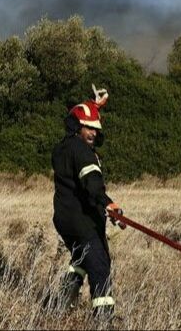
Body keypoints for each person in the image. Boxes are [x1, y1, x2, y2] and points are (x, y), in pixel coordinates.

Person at [51, 85, 124, 318]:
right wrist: (108, 203)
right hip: (83, 222)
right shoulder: (83, 152)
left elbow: (80, 114)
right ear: (77, 128)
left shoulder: (63, 148)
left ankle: (58, 309)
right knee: (100, 266)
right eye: (88, 128)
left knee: (80, 260)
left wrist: (95, 105)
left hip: (64, 221)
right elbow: (92, 183)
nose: (92, 133)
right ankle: (104, 320)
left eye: (95, 129)